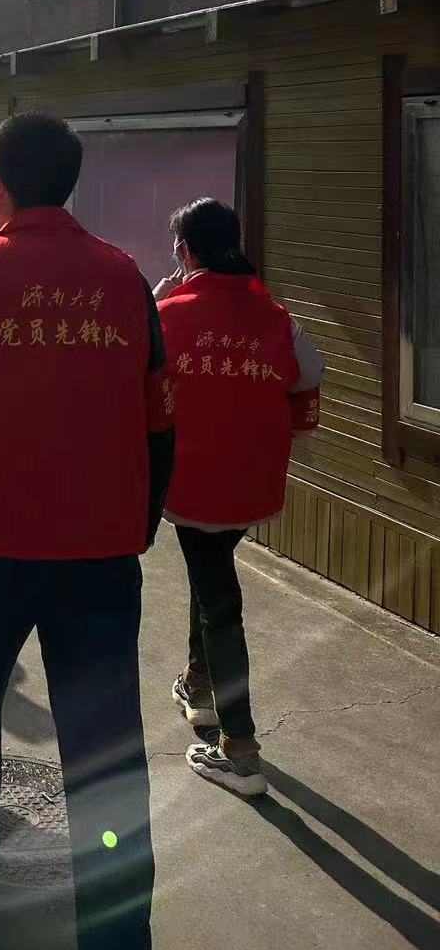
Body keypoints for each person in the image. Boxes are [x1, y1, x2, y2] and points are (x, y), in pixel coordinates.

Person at [0, 111, 174, 950]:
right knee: (105, 745)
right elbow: (159, 417)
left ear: (0, 187)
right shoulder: (126, 277)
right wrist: (141, 518)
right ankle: (118, 936)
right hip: (102, 553)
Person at [154, 197, 323, 799]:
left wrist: (156, 300)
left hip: (191, 483)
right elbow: (309, 374)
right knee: (211, 574)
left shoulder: (169, 313)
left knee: (219, 600)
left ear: (185, 250)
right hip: (252, 482)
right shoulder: (276, 316)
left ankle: (240, 748)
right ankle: (199, 684)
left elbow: (136, 371)